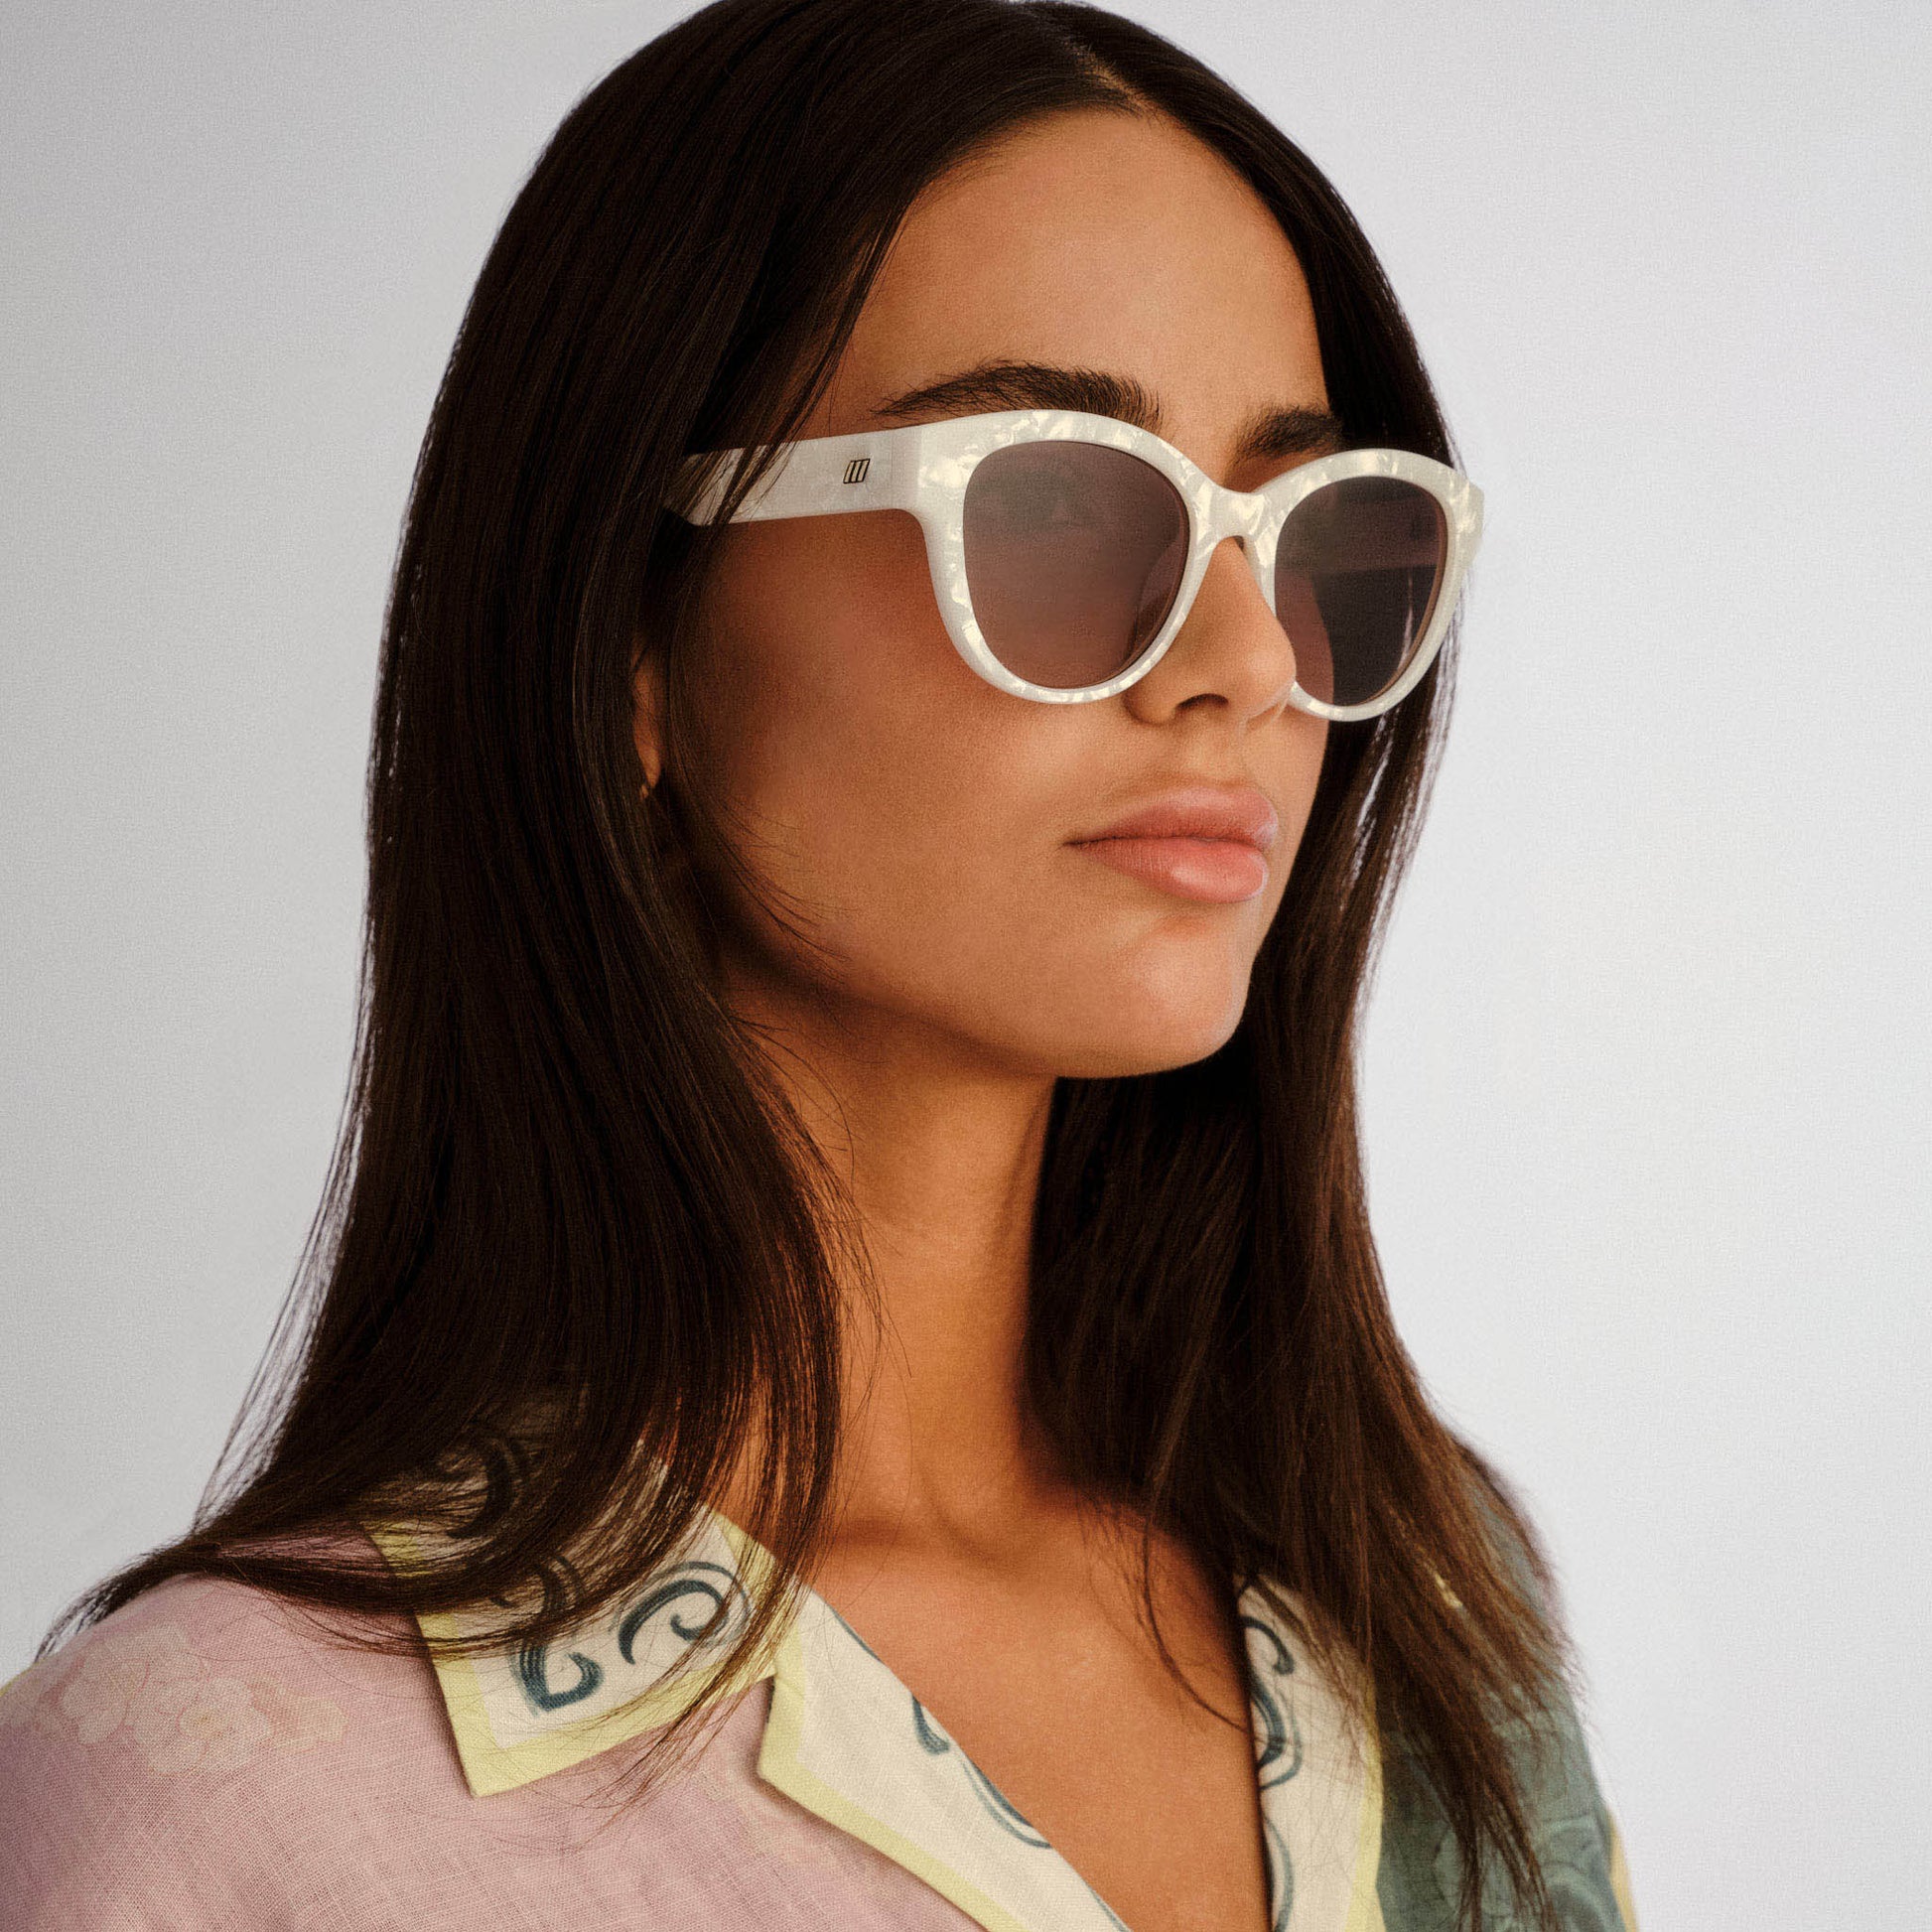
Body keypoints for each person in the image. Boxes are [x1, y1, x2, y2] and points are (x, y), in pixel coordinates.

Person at [0, 3, 1640, 1928]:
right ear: (633, 642)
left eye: (1310, 528)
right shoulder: (217, 1787)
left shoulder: (1426, 1596)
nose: (1244, 662)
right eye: (1050, 502)